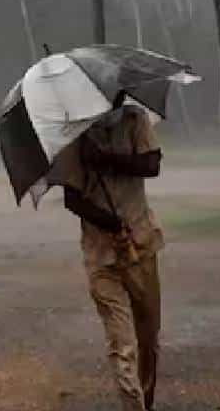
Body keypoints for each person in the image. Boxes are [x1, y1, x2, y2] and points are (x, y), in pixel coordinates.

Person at [58, 98, 164, 411]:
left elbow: (151, 164)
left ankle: (147, 399)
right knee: (122, 343)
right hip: (100, 255)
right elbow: (71, 198)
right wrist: (106, 221)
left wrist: (105, 160)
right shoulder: (74, 135)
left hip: (141, 245)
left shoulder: (135, 120)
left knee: (149, 339)